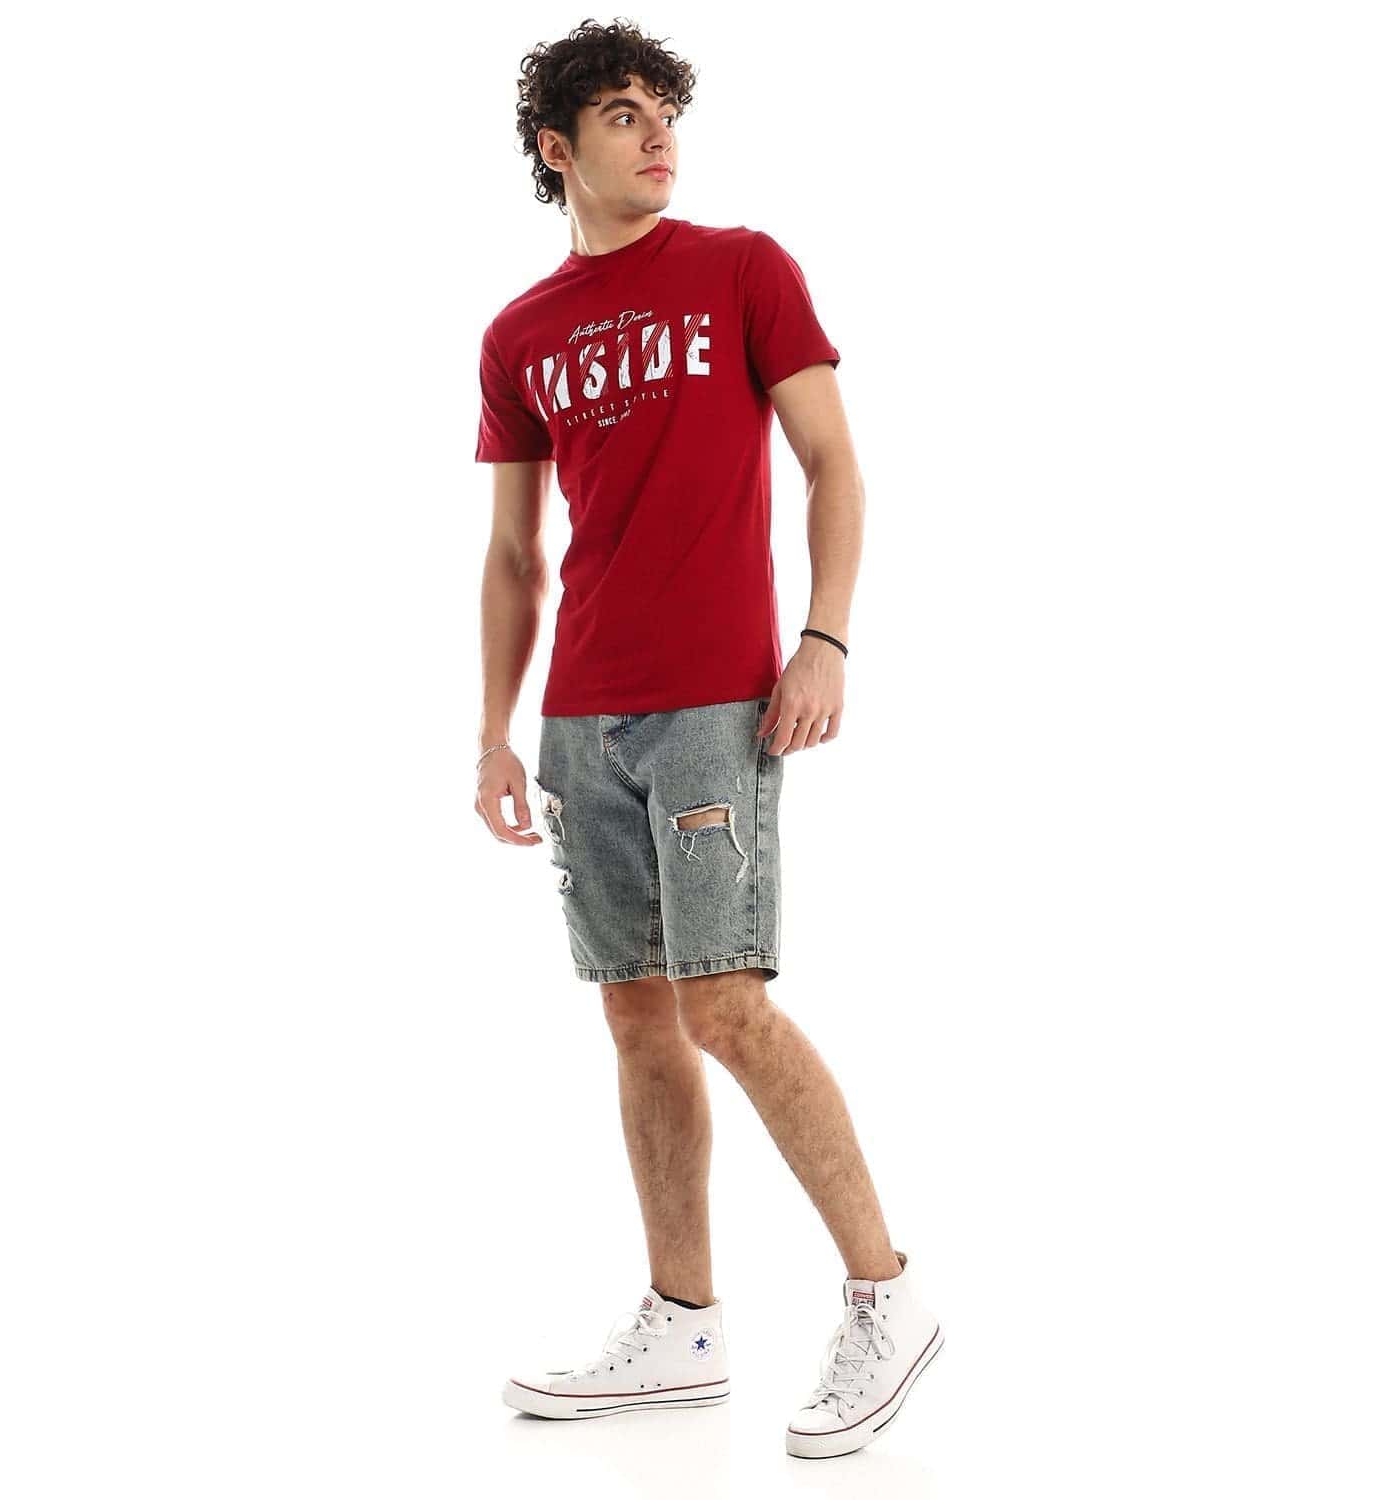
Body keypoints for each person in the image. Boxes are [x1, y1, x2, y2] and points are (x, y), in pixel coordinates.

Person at [471, 20, 941, 1459]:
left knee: (726, 1004)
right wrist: (493, 731)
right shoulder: (519, 334)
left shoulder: (742, 269)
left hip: (711, 706)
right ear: (557, 148)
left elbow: (833, 462)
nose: (657, 133)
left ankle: (888, 1297)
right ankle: (682, 1325)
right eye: (622, 114)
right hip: (580, 718)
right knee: (636, 1018)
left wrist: (825, 636)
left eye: (663, 109)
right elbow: (513, 555)